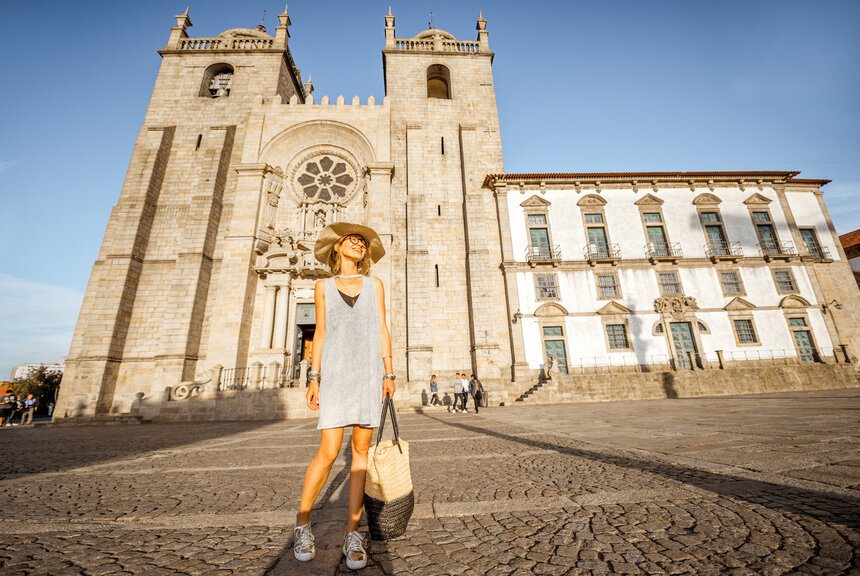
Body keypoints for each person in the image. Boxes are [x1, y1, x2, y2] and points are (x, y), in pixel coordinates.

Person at [293, 223, 394, 571]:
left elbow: (382, 328)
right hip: (334, 375)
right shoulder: (322, 287)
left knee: (360, 454)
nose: (359, 244)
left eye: (363, 242)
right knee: (329, 451)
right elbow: (319, 334)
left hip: (368, 374)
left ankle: (353, 533)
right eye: (352, 240)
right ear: (336, 248)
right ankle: (302, 524)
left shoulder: (374, 285)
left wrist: (389, 372)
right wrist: (314, 378)